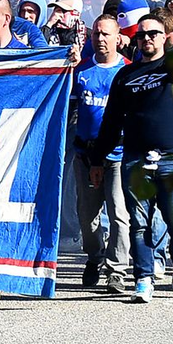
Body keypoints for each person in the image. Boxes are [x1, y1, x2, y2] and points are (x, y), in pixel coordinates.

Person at [91, 10, 173, 303]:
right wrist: (97, 159)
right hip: (135, 158)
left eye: (153, 34)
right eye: (142, 34)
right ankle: (144, 277)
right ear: (134, 39)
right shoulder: (125, 74)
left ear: (165, 37)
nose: (147, 39)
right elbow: (111, 122)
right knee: (139, 221)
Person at [74, 15, 130, 293]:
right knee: (87, 215)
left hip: (119, 154)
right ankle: (94, 257)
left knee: (119, 213)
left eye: (106, 34)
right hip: (86, 154)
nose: (100, 39)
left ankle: (117, 270)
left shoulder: (129, 71)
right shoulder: (81, 70)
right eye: (96, 33)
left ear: (118, 38)